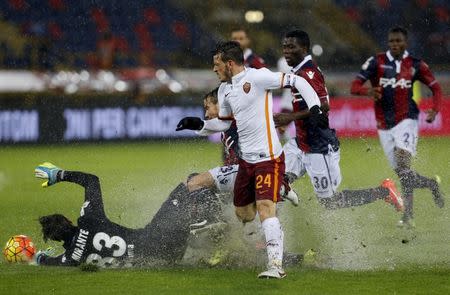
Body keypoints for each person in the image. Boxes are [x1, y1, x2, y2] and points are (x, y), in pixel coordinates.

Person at [176, 41, 322, 278]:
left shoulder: (258, 77)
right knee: (243, 215)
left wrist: (314, 105)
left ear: (230, 63)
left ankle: (276, 266)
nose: (214, 69)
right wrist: (200, 125)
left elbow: (297, 80)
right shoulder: (224, 90)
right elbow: (224, 122)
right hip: (246, 162)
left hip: (269, 158)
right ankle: (280, 189)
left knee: (265, 209)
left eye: (217, 64)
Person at [274, 29, 404, 213]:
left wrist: (290, 117)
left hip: (318, 146)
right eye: (284, 47)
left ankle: (382, 192)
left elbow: (324, 106)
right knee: (276, 179)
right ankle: (270, 235)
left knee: (329, 202)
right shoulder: (298, 71)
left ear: (303, 48)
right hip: (300, 143)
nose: (286, 51)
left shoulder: (308, 72)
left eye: (291, 47)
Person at [32, 162, 222, 267]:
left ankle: (208, 233)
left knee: (185, 219)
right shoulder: (88, 220)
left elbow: (47, 261)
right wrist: (59, 175)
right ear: (68, 220)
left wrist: (39, 256)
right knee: (192, 182)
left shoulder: (71, 258)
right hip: (159, 238)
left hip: (165, 259)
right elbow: (91, 180)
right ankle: (221, 220)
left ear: (56, 239)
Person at [350, 26, 444, 228]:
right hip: (383, 125)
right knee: (404, 173)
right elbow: (354, 86)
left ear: (406, 43)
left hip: (406, 119)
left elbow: (436, 87)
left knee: (403, 165)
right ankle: (431, 184)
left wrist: (435, 109)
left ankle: (408, 216)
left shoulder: (415, 65)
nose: (394, 45)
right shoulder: (376, 62)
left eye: (398, 41)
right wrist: (368, 92)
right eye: (391, 41)